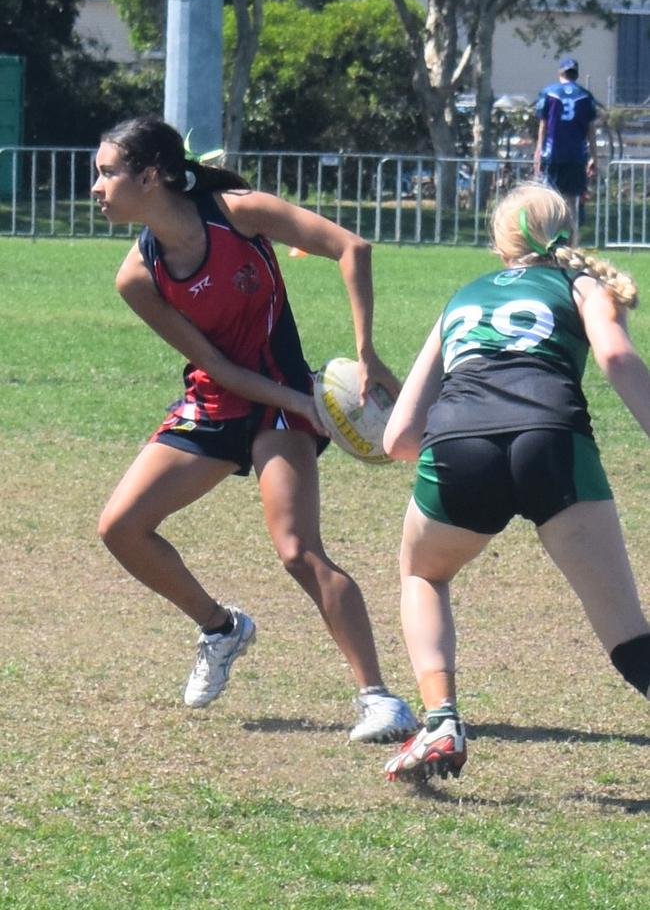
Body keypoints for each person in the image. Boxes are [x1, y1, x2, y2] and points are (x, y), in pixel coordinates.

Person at [92, 115, 419, 744]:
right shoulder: (136, 276)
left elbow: (353, 247)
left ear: (153, 176)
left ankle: (382, 701)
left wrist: (366, 356)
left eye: (108, 173)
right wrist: (306, 403)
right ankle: (220, 628)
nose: (96, 187)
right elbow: (215, 367)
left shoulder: (239, 212)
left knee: (297, 551)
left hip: (278, 394)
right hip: (224, 398)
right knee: (120, 528)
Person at [381, 181, 650, 783]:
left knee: (424, 574)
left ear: (499, 247)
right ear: (569, 234)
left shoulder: (462, 297)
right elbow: (615, 358)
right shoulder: (583, 284)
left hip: (457, 444)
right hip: (551, 441)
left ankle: (441, 721)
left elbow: (398, 439)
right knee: (630, 641)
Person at [534, 57, 598, 238]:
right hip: (576, 155)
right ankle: (572, 244)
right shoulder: (585, 95)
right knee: (571, 202)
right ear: (576, 74)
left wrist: (538, 151)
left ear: (560, 72)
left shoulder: (549, 93)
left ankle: (549, 240)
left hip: (553, 154)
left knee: (550, 200)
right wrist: (594, 156)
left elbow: (543, 126)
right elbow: (591, 130)